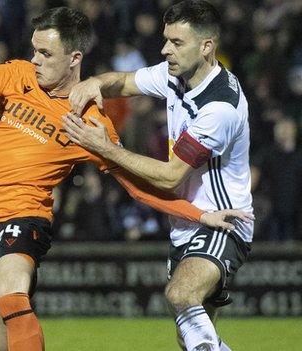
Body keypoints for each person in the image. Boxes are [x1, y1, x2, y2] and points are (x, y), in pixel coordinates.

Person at [0, 7, 247, 351]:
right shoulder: (12, 74)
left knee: (10, 290)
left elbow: (145, 183)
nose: (35, 60)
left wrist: (200, 215)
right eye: (34, 50)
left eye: (45, 53)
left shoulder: (89, 122)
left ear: (74, 57)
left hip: (24, 219)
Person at [63, 1, 253, 350]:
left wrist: (105, 147)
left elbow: (169, 176)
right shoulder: (174, 75)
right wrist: (93, 83)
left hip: (222, 222)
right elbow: (122, 81)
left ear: (207, 46)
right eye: (166, 40)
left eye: (177, 43)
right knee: (192, 337)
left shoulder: (219, 108)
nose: (165, 49)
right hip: (185, 223)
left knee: (180, 293)